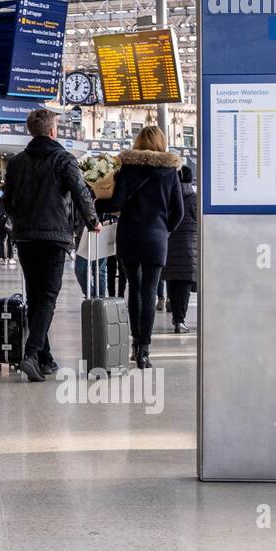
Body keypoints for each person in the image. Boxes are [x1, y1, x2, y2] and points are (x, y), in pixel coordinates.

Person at [2, 109, 100, 381]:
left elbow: (8, 201)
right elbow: (81, 192)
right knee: (47, 297)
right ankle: (32, 353)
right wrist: (92, 221)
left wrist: (20, 219)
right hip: (54, 236)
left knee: (35, 296)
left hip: (25, 236)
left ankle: (44, 359)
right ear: (53, 131)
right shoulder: (63, 159)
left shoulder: (17, 162)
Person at [96, 125, 184, 369]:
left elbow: (116, 202)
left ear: (138, 142)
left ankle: (135, 345)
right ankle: (145, 350)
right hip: (156, 238)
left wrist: (95, 204)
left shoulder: (128, 168)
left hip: (130, 235)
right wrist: (164, 230)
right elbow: (178, 211)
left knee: (134, 289)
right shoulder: (170, 171)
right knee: (150, 290)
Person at [163, 165, 198, 334]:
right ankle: (180, 320)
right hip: (189, 248)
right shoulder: (194, 199)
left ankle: (176, 316)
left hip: (170, 245)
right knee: (184, 284)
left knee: (172, 281)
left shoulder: (169, 198)